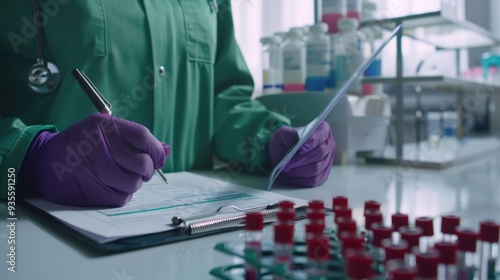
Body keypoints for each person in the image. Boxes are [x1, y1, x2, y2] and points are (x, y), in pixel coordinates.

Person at [0, 0, 335, 207]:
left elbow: (221, 96)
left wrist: (269, 141)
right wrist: (30, 157)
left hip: (184, 231)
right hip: (32, 230)